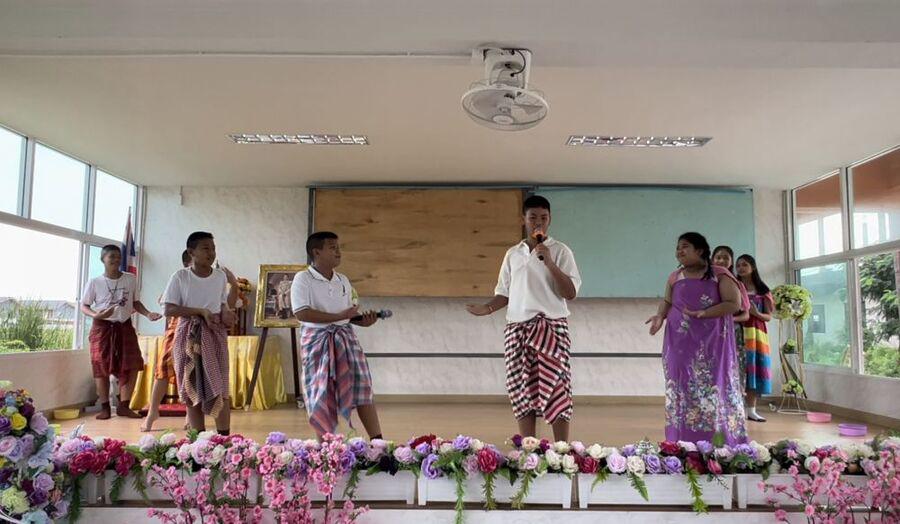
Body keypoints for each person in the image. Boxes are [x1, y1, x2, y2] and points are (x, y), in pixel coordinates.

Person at [466, 195, 581, 442]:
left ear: (550, 220)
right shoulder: (512, 254)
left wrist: (549, 262)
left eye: (544, 218)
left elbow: (570, 293)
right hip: (517, 329)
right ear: (523, 220)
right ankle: (529, 449)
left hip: (552, 327)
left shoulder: (561, 251)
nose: (538, 222)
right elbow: (504, 293)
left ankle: (562, 449)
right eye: (533, 217)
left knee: (558, 387)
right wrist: (487, 308)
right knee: (520, 389)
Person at [647, 232, 748, 445]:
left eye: (685, 246)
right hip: (679, 341)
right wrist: (659, 316)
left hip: (713, 342)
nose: (679, 251)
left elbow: (734, 303)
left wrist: (705, 313)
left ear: (700, 250)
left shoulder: (719, 274)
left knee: (714, 385)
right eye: (677, 248)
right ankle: (681, 440)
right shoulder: (675, 276)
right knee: (681, 384)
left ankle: (719, 440)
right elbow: (667, 301)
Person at [291, 231, 383, 439]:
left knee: (362, 387)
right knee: (321, 394)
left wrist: (363, 321)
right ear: (316, 252)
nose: (338, 252)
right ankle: (326, 447)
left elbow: (347, 316)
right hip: (317, 341)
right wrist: (339, 316)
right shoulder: (302, 278)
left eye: (338, 247)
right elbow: (302, 313)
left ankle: (378, 441)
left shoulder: (343, 280)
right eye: (332, 248)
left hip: (345, 339)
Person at [161, 232, 236, 434]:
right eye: (205, 248)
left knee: (220, 387)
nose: (211, 253)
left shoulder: (219, 276)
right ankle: (198, 442)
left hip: (214, 334)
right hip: (188, 334)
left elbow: (222, 303)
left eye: (213, 248)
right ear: (191, 252)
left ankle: (224, 438)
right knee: (191, 385)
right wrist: (200, 311)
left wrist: (227, 313)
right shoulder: (180, 276)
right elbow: (168, 309)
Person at [81, 245, 162, 420]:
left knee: (132, 364)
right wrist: (97, 315)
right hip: (102, 327)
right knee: (100, 366)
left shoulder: (130, 279)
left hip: (124, 326)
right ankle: (105, 407)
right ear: (103, 259)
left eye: (118, 256)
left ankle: (124, 406)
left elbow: (135, 303)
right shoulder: (94, 282)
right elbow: (84, 305)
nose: (116, 259)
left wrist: (148, 314)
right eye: (112, 256)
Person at [736, 254, 774, 422]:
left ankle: (751, 410)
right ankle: (737, 410)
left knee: (754, 370)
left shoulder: (763, 291)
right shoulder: (734, 287)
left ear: (753, 267)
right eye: (738, 265)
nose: (741, 268)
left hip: (757, 334)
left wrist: (756, 313)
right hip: (737, 331)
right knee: (738, 370)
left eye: (744, 265)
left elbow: (768, 316)